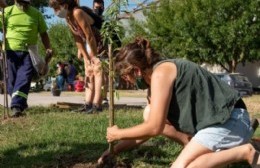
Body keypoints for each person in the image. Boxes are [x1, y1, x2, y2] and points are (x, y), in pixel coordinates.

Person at [98, 38, 260, 168]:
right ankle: (197, 147)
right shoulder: (154, 83)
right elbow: (150, 128)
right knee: (150, 112)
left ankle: (245, 152)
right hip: (215, 124)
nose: (126, 79)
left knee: (181, 166)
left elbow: (155, 127)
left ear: (137, 70)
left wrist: (118, 134)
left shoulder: (161, 73)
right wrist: (115, 150)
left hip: (231, 120)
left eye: (125, 75)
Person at [49, 0, 103, 113]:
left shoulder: (77, 12)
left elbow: (90, 36)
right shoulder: (68, 18)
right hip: (89, 42)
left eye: (57, 8)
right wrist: (86, 58)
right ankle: (88, 104)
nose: (56, 12)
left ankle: (97, 106)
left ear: (65, 5)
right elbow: (78, 40)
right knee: (88, 72)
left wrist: (93, 57)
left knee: (97, 70)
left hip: (100, 40)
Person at [0, 0, 52, 117]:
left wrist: (48, 47)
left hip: (29, 53)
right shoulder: (7, 12)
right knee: (11, 82)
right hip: (10, 53)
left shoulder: (36, 14)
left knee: (24, 77)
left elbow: (44, 34)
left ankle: (17, 106)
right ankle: (19, 102)